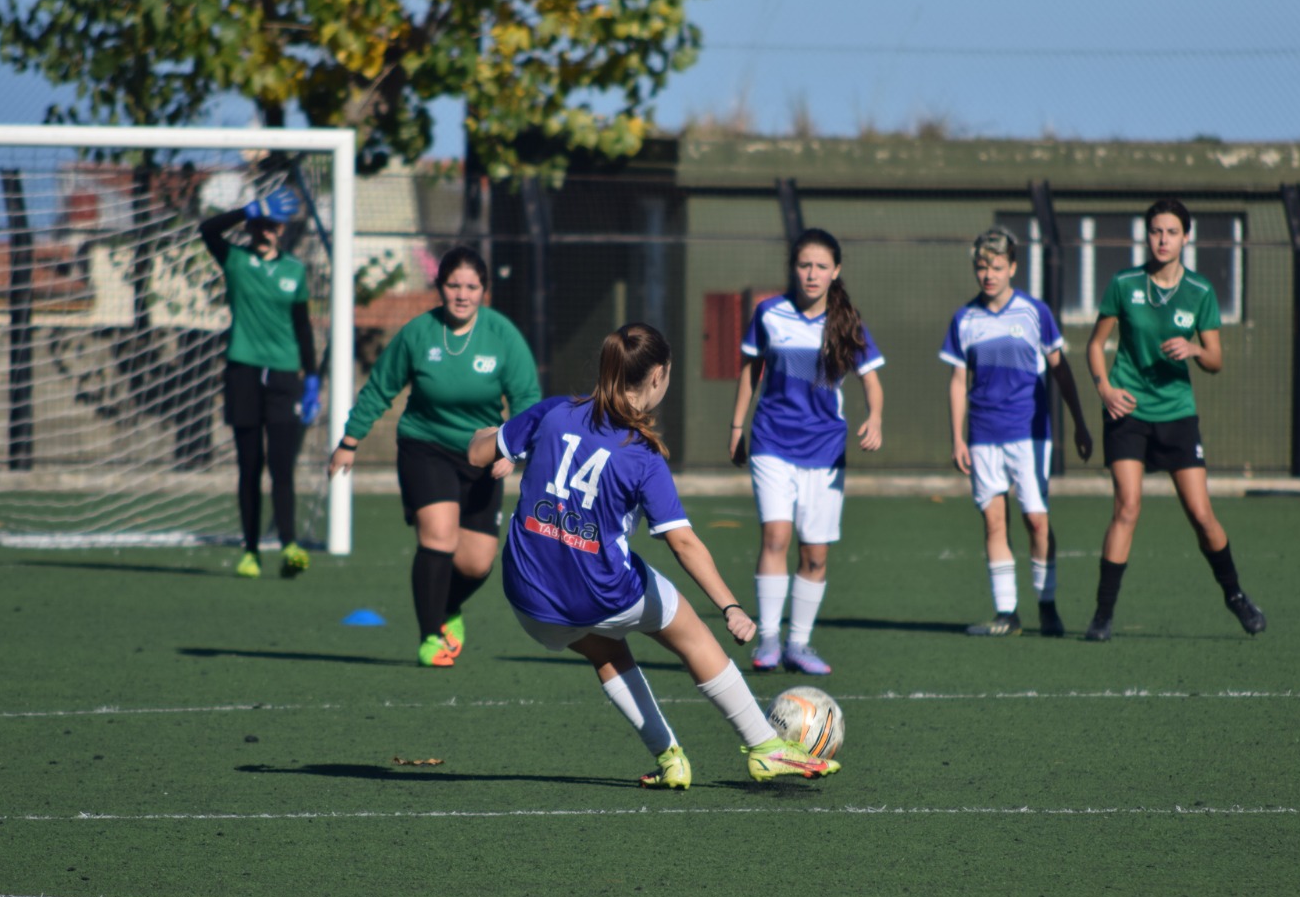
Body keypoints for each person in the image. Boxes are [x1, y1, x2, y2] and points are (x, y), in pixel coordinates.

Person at [467, 323, 839, 788]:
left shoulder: (554, 411)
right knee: (693, 637)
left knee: (605, 649)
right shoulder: (642, 456)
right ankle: (765, 746)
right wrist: (731, 607)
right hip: (599, 592)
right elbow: (682, 542)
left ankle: (671, 759)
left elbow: (480, 454)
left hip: (528, 597)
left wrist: (491, 434)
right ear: (659, 376)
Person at [330, 247, 540, 667]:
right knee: (439, 537)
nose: (462, 294)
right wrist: (349, 441)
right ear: (439, 287)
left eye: (471, 286)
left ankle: (446, 608)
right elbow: (379, 389)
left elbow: (527, 401)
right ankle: (430, 638)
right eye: (453, 285)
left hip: (482, 453)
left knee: (477, 563)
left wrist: (513, 450)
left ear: (483, 291)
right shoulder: (418, 334)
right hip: (425, 446)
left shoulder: (502, 336)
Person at [1084, 198, 1267, 641]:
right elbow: (1095, 345)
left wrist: (1196, 351)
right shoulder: (1124, 283)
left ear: (1186, 237)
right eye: (1155, 232)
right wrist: (1105, 389)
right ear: (1146, 236)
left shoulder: (1200, 291)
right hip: (1127, 410)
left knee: (1201, 515)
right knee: (1127, 506)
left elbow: (1217, 360)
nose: (1162, 240)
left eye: (1171, 232)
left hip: (1177, 414)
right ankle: (1103, 615)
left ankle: (1235, 595)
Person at [727, 228, 885, 676]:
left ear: (836, 271)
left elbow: (871, 381)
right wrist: (737, 426)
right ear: (793, 268)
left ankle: (799, 644)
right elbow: (750, 371)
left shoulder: (847, 322)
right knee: (775, 537)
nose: (811, 274)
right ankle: (770, 640)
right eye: (804, 265)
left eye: (820, 266)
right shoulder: (769, 314)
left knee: (815, 555)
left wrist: (874, 417)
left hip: (826, 449)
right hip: (772, 442)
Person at [942, 227, 1093, 637]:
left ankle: (1047, 604)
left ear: (1012, 267)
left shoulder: (1034, 312)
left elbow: (1060, 370)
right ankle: (1007, 613)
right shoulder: (965, 318)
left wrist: (1079, 421)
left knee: (1036, 520)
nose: (988, 274)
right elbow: (958, 381)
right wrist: (957, 436)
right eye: (981, 266)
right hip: (983, 435)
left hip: (1029, 434)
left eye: (996, 266)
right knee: (994, 523)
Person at [200, 188, 319, 580]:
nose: (270, 231)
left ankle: (289, 544)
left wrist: (313, 376)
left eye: (275, 225)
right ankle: (250, 550)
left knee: (282, 466)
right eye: (263, 224)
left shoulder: (294, 271)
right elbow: (208, 229)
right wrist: (247, 210)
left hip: (285, 378)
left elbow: (302, 327)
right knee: (249, 466)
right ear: (253, 227)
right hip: (244, 373)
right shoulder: (235, 260)